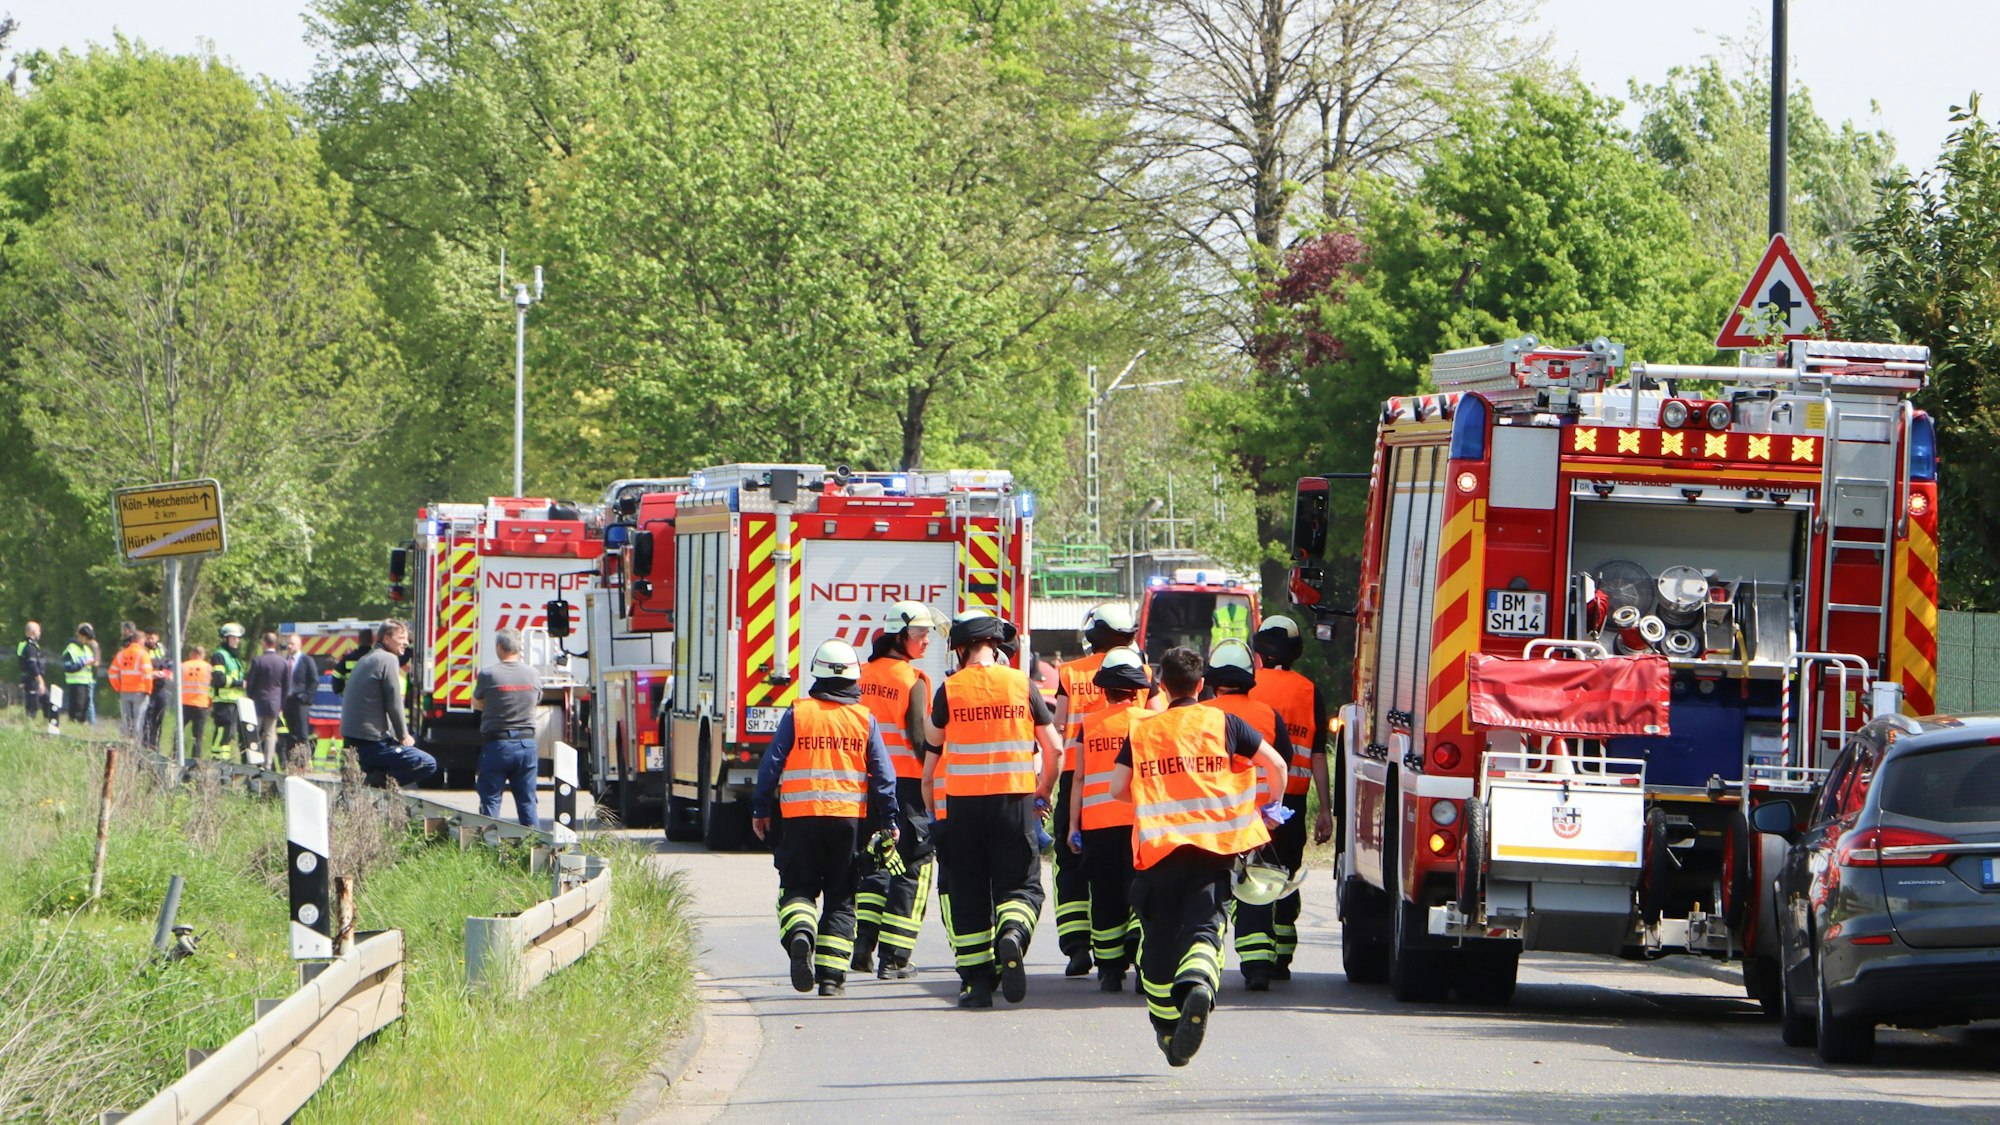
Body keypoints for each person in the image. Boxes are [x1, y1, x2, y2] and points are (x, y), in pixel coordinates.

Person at [1110, 645, 1286, 1066]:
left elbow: (1118, 789)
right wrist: (1272, 809)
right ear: (1201, 685)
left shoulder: (1143, 732)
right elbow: (1275, 765)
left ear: (1161, 686)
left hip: (1160, 854)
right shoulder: (1225, 722)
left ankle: (1168, 1028)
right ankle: (1200, 985)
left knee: (1158, 947)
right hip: (1215, 852)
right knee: (1205, 930)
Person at [924, 610, 1063, 1009]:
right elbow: (1054, 748)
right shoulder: (1021, 684)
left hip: (963, 808)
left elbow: (930, 765)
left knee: (967, 895)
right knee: (1020, 884)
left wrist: (936, 818)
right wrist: (1044, 791)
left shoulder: (949, 691)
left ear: (962, 649)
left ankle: (977, 986)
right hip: (1015, 803)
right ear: (995, 645)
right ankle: (1013, 933)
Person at [751, 639, 898, 997]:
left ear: (817, 674)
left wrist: (760, 809)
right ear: (853, 678)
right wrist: (890, 819)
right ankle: (830, 980)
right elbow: (884, 776)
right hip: (847, 823)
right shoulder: (864, 719)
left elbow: (771, 764)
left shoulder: (798, 712)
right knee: (841, 897)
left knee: (798, 888)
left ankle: (802, 934)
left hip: (799, 820)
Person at [851, 601, 947, 979]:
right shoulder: (914, 681)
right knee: (913, 868)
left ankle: (862, 947)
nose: (926, 642)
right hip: (906, 788)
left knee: (875, 865)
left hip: (866, 785)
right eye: (920, 635)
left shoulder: (859, 675)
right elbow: (921, 741)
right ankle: (894, 959)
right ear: (899, 636)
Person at [1048, 603, 1140, 977]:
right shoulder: (1144, 671)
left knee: (1072, 863)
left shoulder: (1069, 673)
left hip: (1079, 777)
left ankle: (1076, 947)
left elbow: (1057, 724)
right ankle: (1133, 932)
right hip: (1131, 781)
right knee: (1133, 860)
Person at [1200, 639, 1297, 990]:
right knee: (1253, 889)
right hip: (1255, 820)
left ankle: (1203, 959)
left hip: (1211, 821)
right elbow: (1282, 762)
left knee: (1209, 892)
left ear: (1212, 679)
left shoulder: (1202, 713)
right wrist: (1273, 807)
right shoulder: (1268, 714)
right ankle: (1257, 967)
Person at [1248, 615, 1336, 981]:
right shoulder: (1308, 690)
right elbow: (1318, 755)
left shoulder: (1247, 686)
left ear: (1258, 651)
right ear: (1296, 652)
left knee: (1252, 873)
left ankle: (1257, 953)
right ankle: (1282, 952)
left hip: (1249, 801)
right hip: (1292, 803)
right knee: (1284, 873)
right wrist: (1326, 810)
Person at [1065, 645, 1149, 992]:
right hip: (1139, 826)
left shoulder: (1089, 724)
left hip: (1097, 825)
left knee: (1104, 896)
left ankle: (1110, 971)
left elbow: (1079, 778)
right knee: (1142, 894)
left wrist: (1073, 825)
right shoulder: (1149, 722)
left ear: (1104, 689)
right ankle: (1144, 965)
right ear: (1137, 689)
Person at [339, 620, 436, 786]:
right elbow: (394, 701)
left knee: (382, 771)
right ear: (386, 639)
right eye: (401, 637)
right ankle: (374, 784)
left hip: (353, 741)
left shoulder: (366, 658)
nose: (406, 642)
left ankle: (373, 788)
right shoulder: (388, 659)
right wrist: (403, 735)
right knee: (427, 763)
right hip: (372, 743)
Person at [473, 628, 543, 829]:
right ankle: (536, 848)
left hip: (498, 745)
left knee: (491, 801)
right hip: (526, 745)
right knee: (527, 802)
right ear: (519, 648)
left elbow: (476, 703)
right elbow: (536, 700)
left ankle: (488, 848)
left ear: (499, 647)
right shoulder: (533, 674)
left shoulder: (488, 675)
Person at [208, 623, 250, 759]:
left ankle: (224, 759)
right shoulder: (220, 656)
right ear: (225, 639)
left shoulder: (234, 658)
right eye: (233, 638)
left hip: (233, 701)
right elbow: (219, 679)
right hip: (223, 701)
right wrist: (239, 683)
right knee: (223, 731)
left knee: (229, 734)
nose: (237, 641)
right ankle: (216, 759)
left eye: (238, 638)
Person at [247, 632, 289, 763]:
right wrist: (281, 704)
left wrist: (251, 697)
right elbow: (286, 686)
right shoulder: (283, 662)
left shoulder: (258, 660)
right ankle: (268, 763)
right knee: (271, 734)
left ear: (264, 643)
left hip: (258, 702)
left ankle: (254, 760)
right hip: (274, 703)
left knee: (254, 733)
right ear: (275, 644)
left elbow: (250, 684)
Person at [108, 628, 154, 741]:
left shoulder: (121, 654)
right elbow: (148, 674)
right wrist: (148, 690)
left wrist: (117, 687)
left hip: (125, 691)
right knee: (138, 722)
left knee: (126, 723)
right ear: (141, 640)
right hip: (140, 692)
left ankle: (125, 748)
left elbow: (112, 672)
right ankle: (136, 751)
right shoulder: (143, 654)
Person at [283, 634, 319, 760]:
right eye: (288, 643)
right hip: (288, 701)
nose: (289, 646)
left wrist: (306, 697)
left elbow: (314, 680)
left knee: (303, 734)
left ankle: (304, 761)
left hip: (301, 701)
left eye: (291, 643)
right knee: (291, 733)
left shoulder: (306, 660)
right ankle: (292, 761)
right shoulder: (285, 660)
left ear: (299, 645)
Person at [16, 621, 55, 735]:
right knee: (32, 706)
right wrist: (41, 682)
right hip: (33, 680)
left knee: (48, 701)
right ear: (33, 631)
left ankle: (47, 726)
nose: (40, 633)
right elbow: (32, 666)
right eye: (38, 630)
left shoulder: (25, 644)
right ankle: (30, 730)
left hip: (31, 679)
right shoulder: (30, 647)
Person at [178, 644, 213, 755]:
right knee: (198, 735)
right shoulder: (208, 667)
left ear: (192, 654)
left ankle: (175, 755)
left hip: (185, 703)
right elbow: (212, 685)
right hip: (201, 704)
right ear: (202, 655)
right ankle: (195, 760)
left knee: (178, 731)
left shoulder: (183, 665)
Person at [62, 624, 97, 726]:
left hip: (86, 683)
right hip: (76, 684)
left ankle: (81, 728)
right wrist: (83, 663)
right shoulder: (71, 649)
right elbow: (69, 668)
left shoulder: (86, 649)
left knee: (84, 710)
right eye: (87, 638)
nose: (87, 641)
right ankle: (75, 728)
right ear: (80, 636)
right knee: (77, 711)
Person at [142, 631, 172, 750]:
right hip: (147, 688)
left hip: (161, 688)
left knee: (159, 718)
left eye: (152, 638)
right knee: (147, 718)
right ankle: (145, 746)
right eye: (148, 638)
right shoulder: (143, 650)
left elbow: (170, 666)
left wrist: (164, 673)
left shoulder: (162, 650)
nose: (150, 640)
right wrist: (152, 673)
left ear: (157, 638)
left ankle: (155, 747)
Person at [332, 628, 375, 695]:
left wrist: (344, 694)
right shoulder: (378, 658)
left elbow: (337, 679)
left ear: (359, 641)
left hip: (352, 699)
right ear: (372, 641)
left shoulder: (347, 659)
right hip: (374, 700)